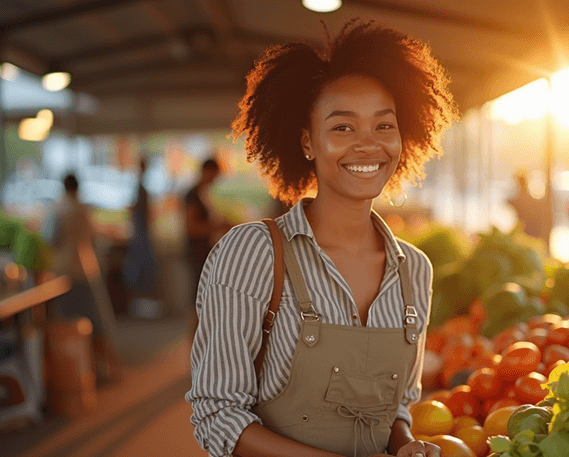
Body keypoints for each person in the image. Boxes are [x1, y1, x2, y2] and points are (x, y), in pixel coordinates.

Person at [185, 19, 457, 457]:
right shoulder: (252, 253)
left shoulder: (415, 270)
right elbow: (217, 415)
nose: (368, 145)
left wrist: (405, 443)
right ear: (307, 142)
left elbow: (398, 407)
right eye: (343, 128)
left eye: (384, 126)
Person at [50, 173, 123, 382]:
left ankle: (86, 372)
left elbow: (52, 240)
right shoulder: (82, 208)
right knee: (98, 322)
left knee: (71, 325)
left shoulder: (60, 209)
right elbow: (93, 235)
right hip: (87, 268)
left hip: (66, 272)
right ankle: (110, 367)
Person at [184, 158, 233, 323]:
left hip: (204, 250)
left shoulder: (201, 194)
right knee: (199, 298)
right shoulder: (192, 195)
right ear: (207, 172)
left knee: (204, 297)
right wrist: (217, 227)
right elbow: (191, 227)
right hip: (197, 252)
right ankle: (194, 342)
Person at [123, 158, 160, 316]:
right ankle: (138, 303)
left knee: (142, 268)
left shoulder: (141, 189)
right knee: (141, 269)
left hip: (141, 234)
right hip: (141, 234)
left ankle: (141, 303)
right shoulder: (140, 188)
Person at [506, 170, 552, 247]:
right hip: (531, 231)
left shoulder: (520, 198)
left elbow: (510, 202)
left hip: (526, 231)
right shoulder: (528, 197)